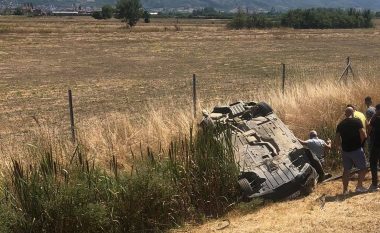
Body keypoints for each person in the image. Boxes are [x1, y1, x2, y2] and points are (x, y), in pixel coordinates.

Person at [335, 107, 367, 194]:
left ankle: (345, 190)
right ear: (353, 113)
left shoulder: (340, 125)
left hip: (345, 151)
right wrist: (360, 143)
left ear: (345, 114)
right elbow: (364, 134)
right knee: (363, 168)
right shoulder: (357, 121)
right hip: (356, 149)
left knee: (346, 170)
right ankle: (359, 187)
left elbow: (336, 140)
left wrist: (340, 148)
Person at [368, 104, 380, 191]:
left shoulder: (375, 119)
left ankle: (375, 183)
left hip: (376, 145)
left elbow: (369, 128)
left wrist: (374, 116)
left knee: (373, 164)